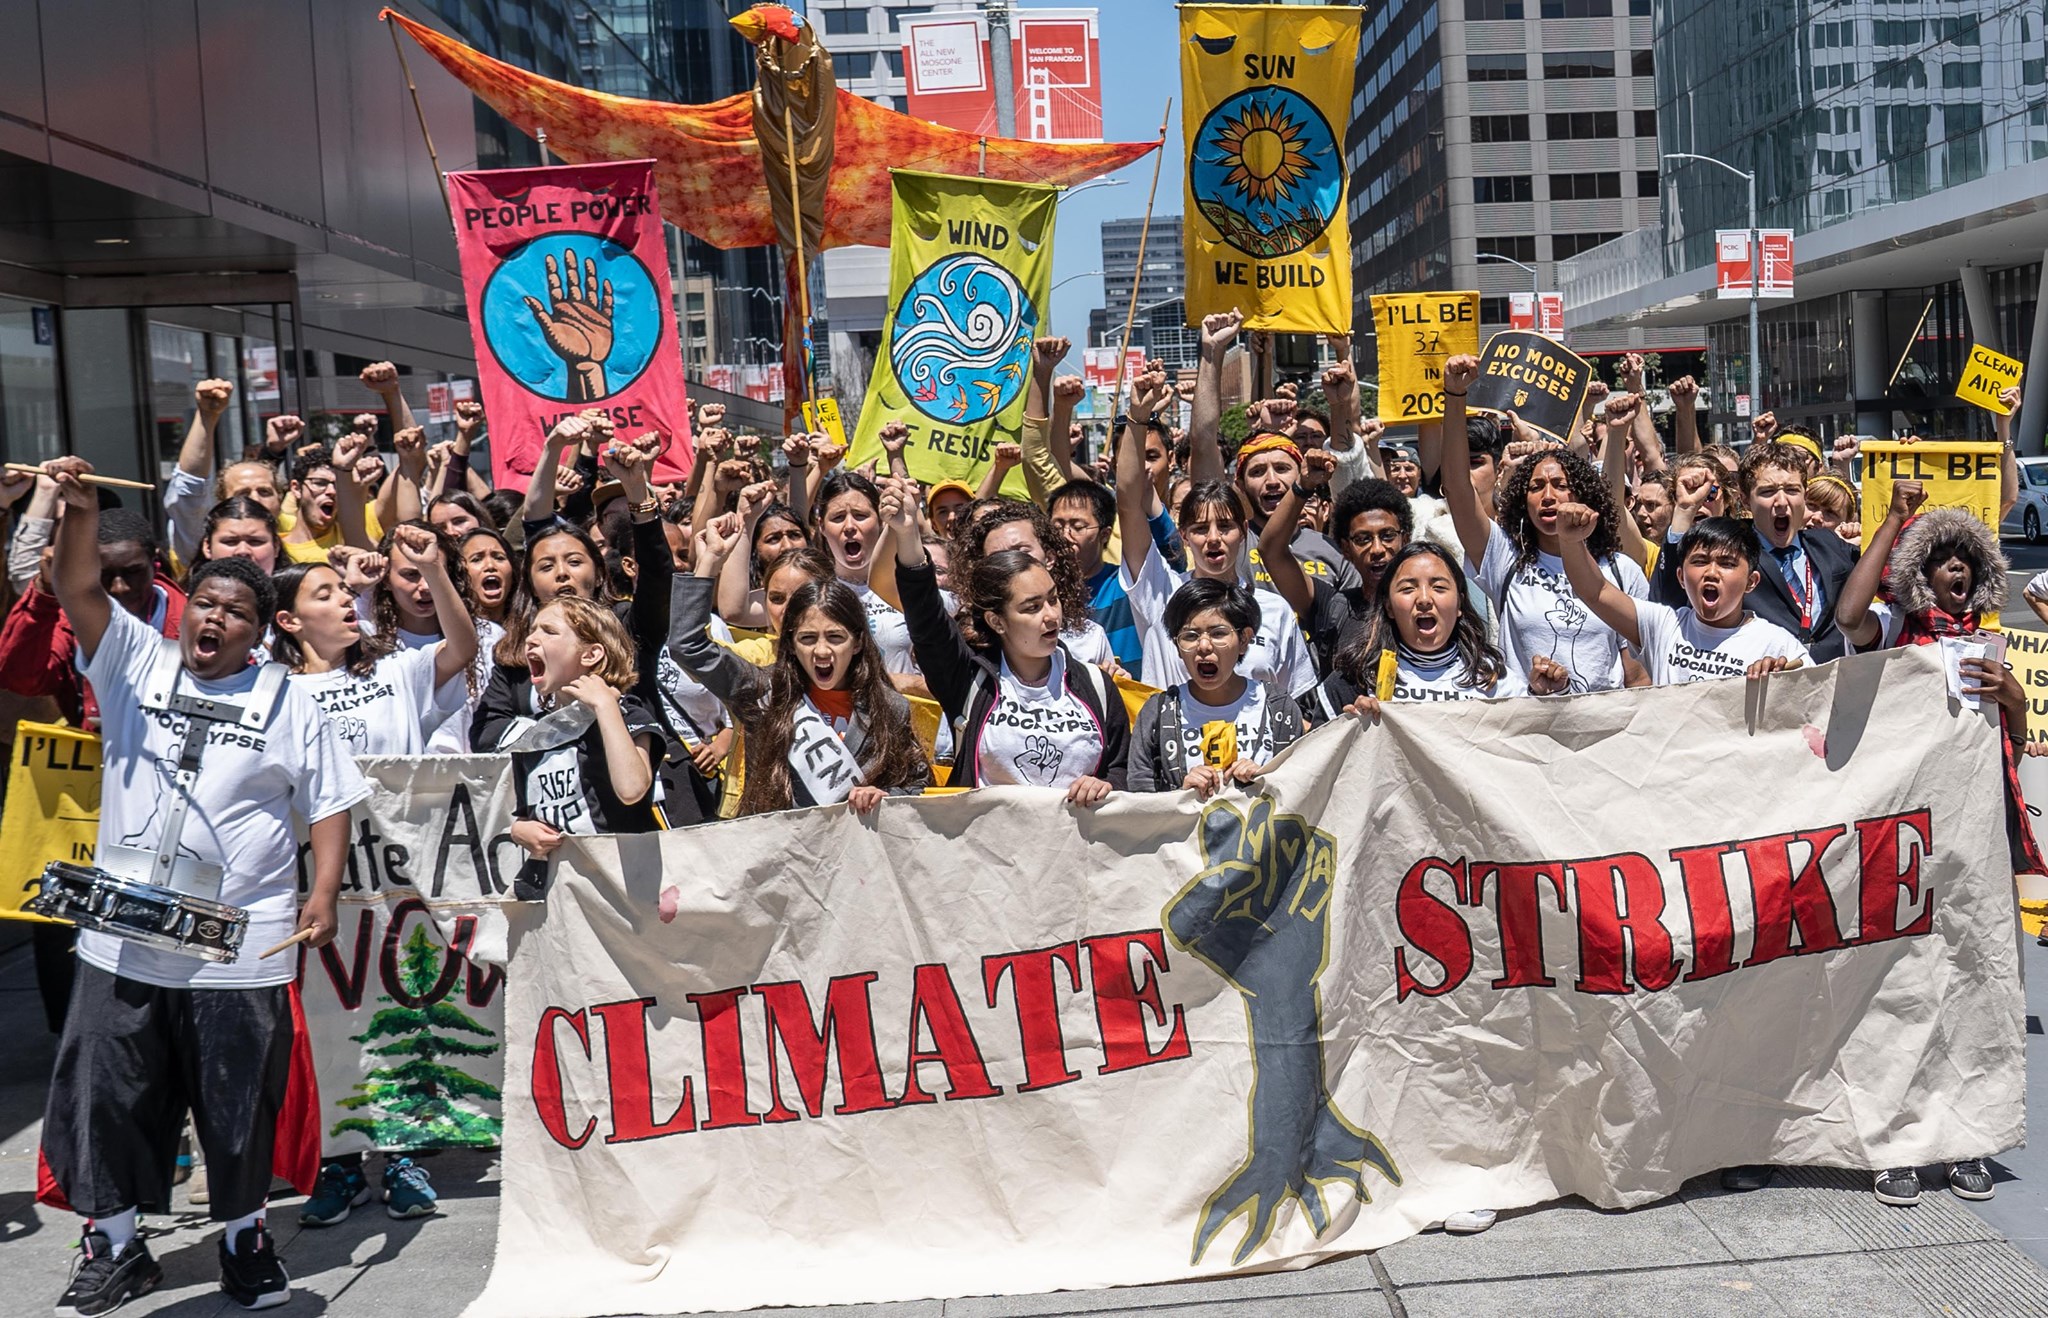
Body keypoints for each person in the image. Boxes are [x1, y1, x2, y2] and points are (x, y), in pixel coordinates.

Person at [38, 456, 366, 1315]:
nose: (215, 620)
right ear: (188, 613)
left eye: (238, 612)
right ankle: (113, 1244)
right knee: (106, 1091)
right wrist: (77, 508)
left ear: (262, 632)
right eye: (207, 605)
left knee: (235, 1101)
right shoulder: (133, 658)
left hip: (240, 939)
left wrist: (322, 893)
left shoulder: (290, 698)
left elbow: (327, 803)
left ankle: (244, 1240)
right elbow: (77, 584)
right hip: (123, 934)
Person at [1832, 479, 2029, 1207]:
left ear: (1980, 577)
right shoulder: (1894, 633)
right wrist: (1891, 524)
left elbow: (2017, 746)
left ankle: (1964, 1138)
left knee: (1972, 989)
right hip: (1902, 843)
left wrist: (2011, 698)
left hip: (1974, 849)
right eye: (1940, 558)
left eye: (1964, 561)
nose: (1954, 569)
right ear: (1920, 573)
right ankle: (1895, 1144)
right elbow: (1846, 614)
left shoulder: (1990, 646)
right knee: (1898, 989)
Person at [882, 476, 1127, 800]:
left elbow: (1124, 772)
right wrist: (907, 533)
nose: (1050, 615)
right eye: (1032, 607)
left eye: (1052, 599)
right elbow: (925, 614)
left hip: (1077, 848)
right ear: (998, 621)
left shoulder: (1097, 686)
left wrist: (1106, 786)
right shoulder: (968, 681)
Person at [670, 520, 928, 813]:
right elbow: (688, 646)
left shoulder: (890, 707)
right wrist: (709, 561)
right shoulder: (761, 692)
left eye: (834, 637)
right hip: (779, 852)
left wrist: (883, 795)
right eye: (807, 638)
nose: (821, 651)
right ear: (791, 644)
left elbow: (915, 786)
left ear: (857, 643)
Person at [1439, 354, 1648, 692]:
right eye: (1536, 487)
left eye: (1560, 485)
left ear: (1583, 495)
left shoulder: (1622, 571)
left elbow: (1638, 677)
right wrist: (1454, 396)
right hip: (1529, 734)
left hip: (1604, 737)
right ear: (1523, 501)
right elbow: (1458, 488)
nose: (1548, 496)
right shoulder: (1503, 558)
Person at [1115, 366, 1317, 697]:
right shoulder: (1162, 593)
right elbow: (1128, 502)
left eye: (1224, 526)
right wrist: (1137, 419)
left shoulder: (1274, 610)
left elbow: (1294, 708)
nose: (1213, 538)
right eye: (1199, 528)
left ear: (1243, 531)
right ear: (1183, 536)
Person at [487, 596, 670, 895]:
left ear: (591, 654)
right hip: (565, 894)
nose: (532, 639)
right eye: (532, 630)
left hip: (627, 887)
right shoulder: (535, 737)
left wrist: (604, 706)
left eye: (549, 631)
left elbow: (632, 789)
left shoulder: (627, 714)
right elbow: (526, 815)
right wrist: (521, 830)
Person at [1305, 542, 1569, 728]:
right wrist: (1348, 729)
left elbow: (1528, 753)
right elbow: (1319, 768)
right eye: (1408, 589)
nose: (1423, 599)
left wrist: (1543, 699)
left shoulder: (1492, 677)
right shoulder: (1354, 680)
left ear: (1460, 606)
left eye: (1439, 587)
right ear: (1389, 607)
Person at [271, 526, 479, 756]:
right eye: (324, 596)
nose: (346, 598)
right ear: (289, 621)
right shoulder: (278, 693)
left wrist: (432, 569)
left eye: (344, 590)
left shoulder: (395, 668)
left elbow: (463, 649)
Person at [1556, 509, 1806, 684]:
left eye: (1727, 564)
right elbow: (1596, 592)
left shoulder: (1777, 644)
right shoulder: (1663, 626)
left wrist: (1786, 683)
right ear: (1680, 577)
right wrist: (1570, 541)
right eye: (1699, 562)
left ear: (1751, 582)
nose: (1711, 573)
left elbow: (1817, 705)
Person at [1659, 440, 1858, 661]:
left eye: (1792, 490)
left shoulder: (1830, 543)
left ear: (1805, 494)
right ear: (1745, 500)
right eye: (1768, 492)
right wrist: (1684, 512)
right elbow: (1671, 601)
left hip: (1829, 684)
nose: (1781, 502)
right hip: (1758, 684)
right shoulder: (1729, 554)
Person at [1129, 579, 1303, 795]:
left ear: (1244, 640)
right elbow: (1139, 800)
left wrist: (1266, 779)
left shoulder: (1278, 706)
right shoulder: (1157, 713)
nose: (1204, 646)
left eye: (1218, 633)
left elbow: (1303, 785)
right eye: (1190, 636)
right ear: (1177, 646)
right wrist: (1180, 794)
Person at [1261, 460, 1412, 674]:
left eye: (1387, 536)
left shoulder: (1429, 607)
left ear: (1405, 540)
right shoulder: (1332, 607)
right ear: (1346, 549)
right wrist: (1302, 486)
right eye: (1363, 539)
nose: (1377, 549)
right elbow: (1271, 551)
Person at [1048, 480, 1142, 672]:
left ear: (1105, 534)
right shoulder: (1041, 594)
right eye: (1057, 527)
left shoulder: (1128, 584)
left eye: (1078, 526)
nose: (1066, 536)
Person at [196, 497, 283, 574]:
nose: (243, 551)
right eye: (230, 542)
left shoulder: (295, 592)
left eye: (255, 541)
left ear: (276, 546)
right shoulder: (188, 592)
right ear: (207, 547)